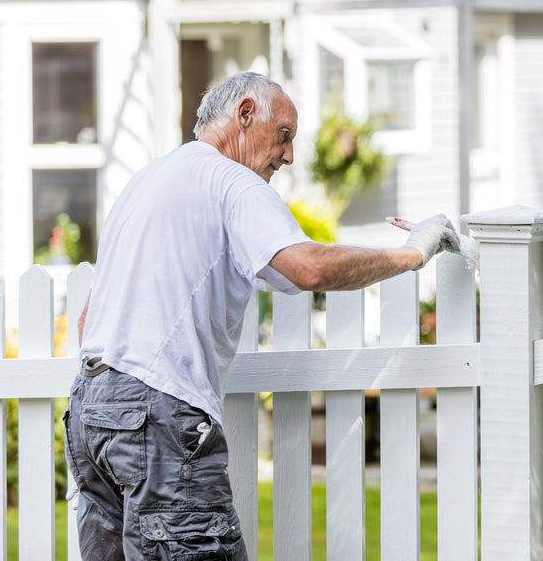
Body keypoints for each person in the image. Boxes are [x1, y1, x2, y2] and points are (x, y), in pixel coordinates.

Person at [65, 71, 459, 560]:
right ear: (245, 114)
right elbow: (309, 268)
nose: (289, 156)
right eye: (284, 135)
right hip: (157, 413)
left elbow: (88, 320)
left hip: (90, 412)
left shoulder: (146, 182)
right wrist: (411, 255)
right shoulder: (232, 181)